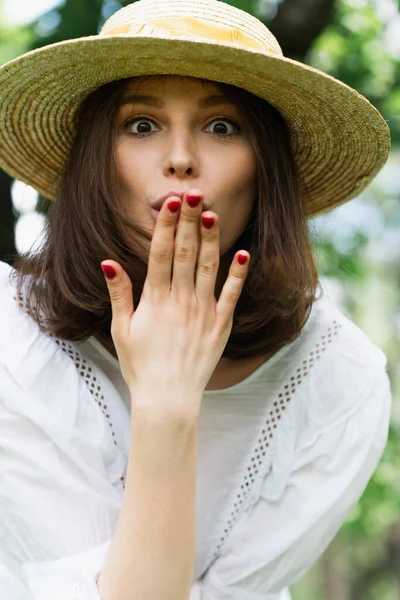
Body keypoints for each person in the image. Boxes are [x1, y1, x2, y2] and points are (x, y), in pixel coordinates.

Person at [0, 0, 392, 599]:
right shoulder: (12, 338)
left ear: (265, 170)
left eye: (222, 127)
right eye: (141, 125)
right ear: (94, 165)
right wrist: (166, 401)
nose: (180, 158)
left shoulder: (339, 378)